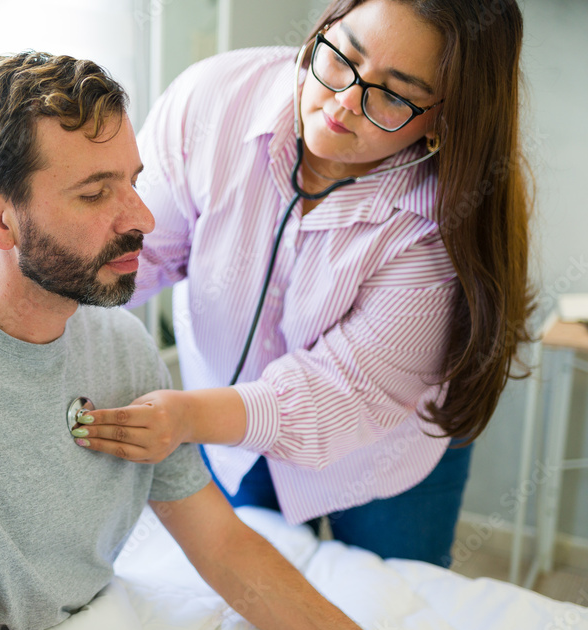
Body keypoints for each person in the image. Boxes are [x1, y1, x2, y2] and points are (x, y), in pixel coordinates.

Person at [0, 51, 404, 630]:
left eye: (133, 180)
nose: (142, 218)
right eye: (94, 194)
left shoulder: (119, 343)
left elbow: (220, 544)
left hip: (85, 626)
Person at [71, 0, 534, 567]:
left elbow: (336, 394)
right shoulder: (215, 99)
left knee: (389, 613)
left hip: (382, 453)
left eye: (393, 93)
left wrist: (186, 418)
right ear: (327, 25)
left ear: (444, 115)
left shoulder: (443, 223)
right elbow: (139, 251)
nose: (343, 102)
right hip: (232, 436)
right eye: (344, 56)